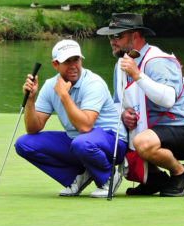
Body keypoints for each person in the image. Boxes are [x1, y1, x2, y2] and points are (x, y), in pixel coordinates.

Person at [97, 13, 184, 197]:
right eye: (110, 36)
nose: (112, 41)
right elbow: (117, 103)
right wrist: (123, 114)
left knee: (142, 141)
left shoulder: (157, 60)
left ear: (135, 35)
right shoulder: (121, 65)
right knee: (117, 131)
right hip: (152, 131)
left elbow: (168, 99)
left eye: (117, 36)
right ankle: (155, 178)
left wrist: (137, 75)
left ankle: (180, 173)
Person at [14, 39, 127, 198]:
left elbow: (85, 126)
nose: (73, 65)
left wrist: (64, 95)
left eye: (77, 60)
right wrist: (31, 99)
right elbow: (33, 128)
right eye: (67, 61)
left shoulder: (93, 83)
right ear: (55, 64)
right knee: (24, 144)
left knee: (82, 142)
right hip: (79, 143)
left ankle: (109, 177)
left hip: (112, 142)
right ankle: (78, 175)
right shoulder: (49, 86)